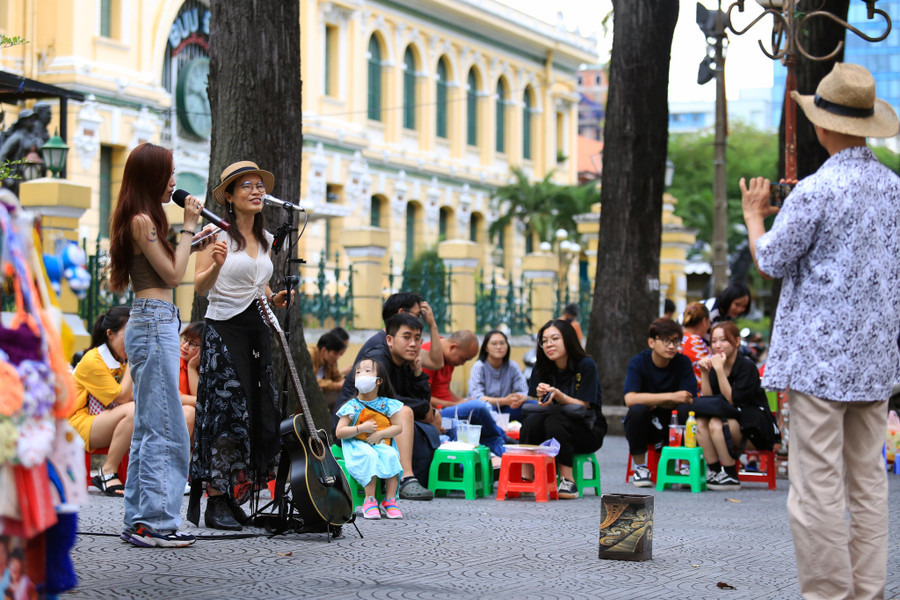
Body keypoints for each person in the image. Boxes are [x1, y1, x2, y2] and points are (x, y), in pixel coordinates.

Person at [741, 63, 900, 599]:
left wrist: (755, 217)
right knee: (869, 484)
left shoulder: (818, 188)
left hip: (817, 361)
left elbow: (773, 260)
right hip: (875, 359)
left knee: (818, 490)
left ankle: (829, 595)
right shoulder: (894, 190)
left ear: (822, 126)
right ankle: (868, 592)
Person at [107, 142, 206, 548]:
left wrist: (193, 240)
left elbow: (168, 268)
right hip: (153, 322)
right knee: (167, 429)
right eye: (168, 173)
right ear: (150, 177)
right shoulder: (142, 220)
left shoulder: (145, 221)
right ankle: (154, 523)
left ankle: (142, 520)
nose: (174, 182)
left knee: (153, 426)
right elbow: (172, 274)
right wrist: (188, 228)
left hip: (156, 322)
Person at [189, 161, 290, 532]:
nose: (256, 191)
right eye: (246, 186)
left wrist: (273, 297)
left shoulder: (264, 241)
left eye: (260, 185)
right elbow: (201, 288)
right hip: (224, 329)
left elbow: (256, 285)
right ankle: (216, 499)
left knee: (254, 412)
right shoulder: (215, 233)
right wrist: (215, 265)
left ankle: (237, 494)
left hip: (256, 330)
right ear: (229, 197)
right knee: (226, 414)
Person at [334, 292, 442, 501]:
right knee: (404, 411)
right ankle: (407, 479)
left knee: (426, 421)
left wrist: (419, 375)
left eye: (418, 339)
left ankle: (420, 476)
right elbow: (380, 402)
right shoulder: (377, 358)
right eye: (407, 337)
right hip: (355, 423)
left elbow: (414, 394)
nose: (413, 344)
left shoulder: (404, 358)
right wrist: (424, 410)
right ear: (390, 339)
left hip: (377, 421)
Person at [521, 319, 607, 499]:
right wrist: (542, 397)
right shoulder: (541, 367)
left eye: (554, 339)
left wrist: (559, 396)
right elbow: (541, 406)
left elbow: (582, 406)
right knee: (531, 420)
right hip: (552, 429)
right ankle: (527, 477)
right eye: (544, 341)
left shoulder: (586, 365)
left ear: (568, 340)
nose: (548, 344)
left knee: (555, 418)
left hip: (586, 429)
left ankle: (568, 481)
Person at [696, 321, 772, 490]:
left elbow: (733, 400)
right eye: (714, 341)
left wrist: (719, 370)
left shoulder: (747, 367)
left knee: (716, 423)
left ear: (737, 341)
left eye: (723, 340)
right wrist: (705, 373)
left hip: (754, 429)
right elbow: (708, 400)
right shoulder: (716, 367)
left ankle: (730, 474)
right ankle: (715, 471)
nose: (717, 345)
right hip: (732, 424)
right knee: (700, 423)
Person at [623, 318, 698, 487]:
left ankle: (685, 466)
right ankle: (640, 468)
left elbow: (688, 398)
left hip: (673, 423)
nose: (672, 346)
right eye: (666, 341)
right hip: (647, 425)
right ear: (652, 342)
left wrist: (652, 400)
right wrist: (671, 397)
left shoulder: (683, 362)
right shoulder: (639, 362)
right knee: (637, 411)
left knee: (686, 409)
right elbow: (630, 399)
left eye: (676, 341)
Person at [68, 307, 133, 497]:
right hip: (78, 424)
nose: (132, 341)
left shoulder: (118, 359)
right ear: (110, 334)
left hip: (101, 420)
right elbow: (122, 398)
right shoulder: (93, 361)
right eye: (128, 334)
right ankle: (107, 471)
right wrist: (133, 361)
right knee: (136, 411)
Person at [335, 358, 404, 520]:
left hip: (379, 444)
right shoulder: (351, 406)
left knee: (391, 455)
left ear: (379, 380)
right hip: (356, 445)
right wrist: (360, 428)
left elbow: (398, 427)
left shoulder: (387, 404)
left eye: (367, 371)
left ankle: (390, 500)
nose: (361, 375)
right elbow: (340, 432)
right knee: (369, 455)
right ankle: (369, 500)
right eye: (358, 372)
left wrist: (380, 434)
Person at [422, 330, 508, 457]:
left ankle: (501, 446)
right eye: (463, 359)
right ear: (453, 348)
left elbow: (444, 390)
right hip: (436, 414)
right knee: (478, 407)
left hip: (448, 409)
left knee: (482, 406)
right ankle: (503, 441)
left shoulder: (448, 358)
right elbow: (424, 399)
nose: (462, 364)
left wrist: (463, 401)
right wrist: (458, 403)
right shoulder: (431, 355)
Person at [467, 329, 531, 421]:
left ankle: (523, 433)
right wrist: (505, 400)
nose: (499, 347)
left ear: (507, 346)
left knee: (531, 405)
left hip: (507, 408)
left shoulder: (512, 366)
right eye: (494, 343)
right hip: (487, 408)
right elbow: (477, 397)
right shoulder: (479, 367)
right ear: (486, 348)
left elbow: (524, 391)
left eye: (502, 343)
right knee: (483, 408)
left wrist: (520, 398)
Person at [178, 321, 204, 441]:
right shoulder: (174, 362)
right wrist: (202, 401)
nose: (185, 346)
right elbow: (176, 398)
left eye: (192, 344)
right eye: (184, 339)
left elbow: (199, 399)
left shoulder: (204, 369)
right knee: (189, 412)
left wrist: (192, 368)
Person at [310, 331, 347, 410]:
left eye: (339, 354)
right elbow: (311, 381)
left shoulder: (329, 362)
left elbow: (337, 377)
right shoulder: (310, 354)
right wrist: (337, 386)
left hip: (320, 396)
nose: (337, 357)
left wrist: (344, 382)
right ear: (324, 350)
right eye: (335, 353)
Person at [680, 302, 711, 387]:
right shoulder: (696, 342)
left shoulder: (675, 337)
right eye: (709, 322)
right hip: (694, 392)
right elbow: (710, 370)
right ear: (704, 321)